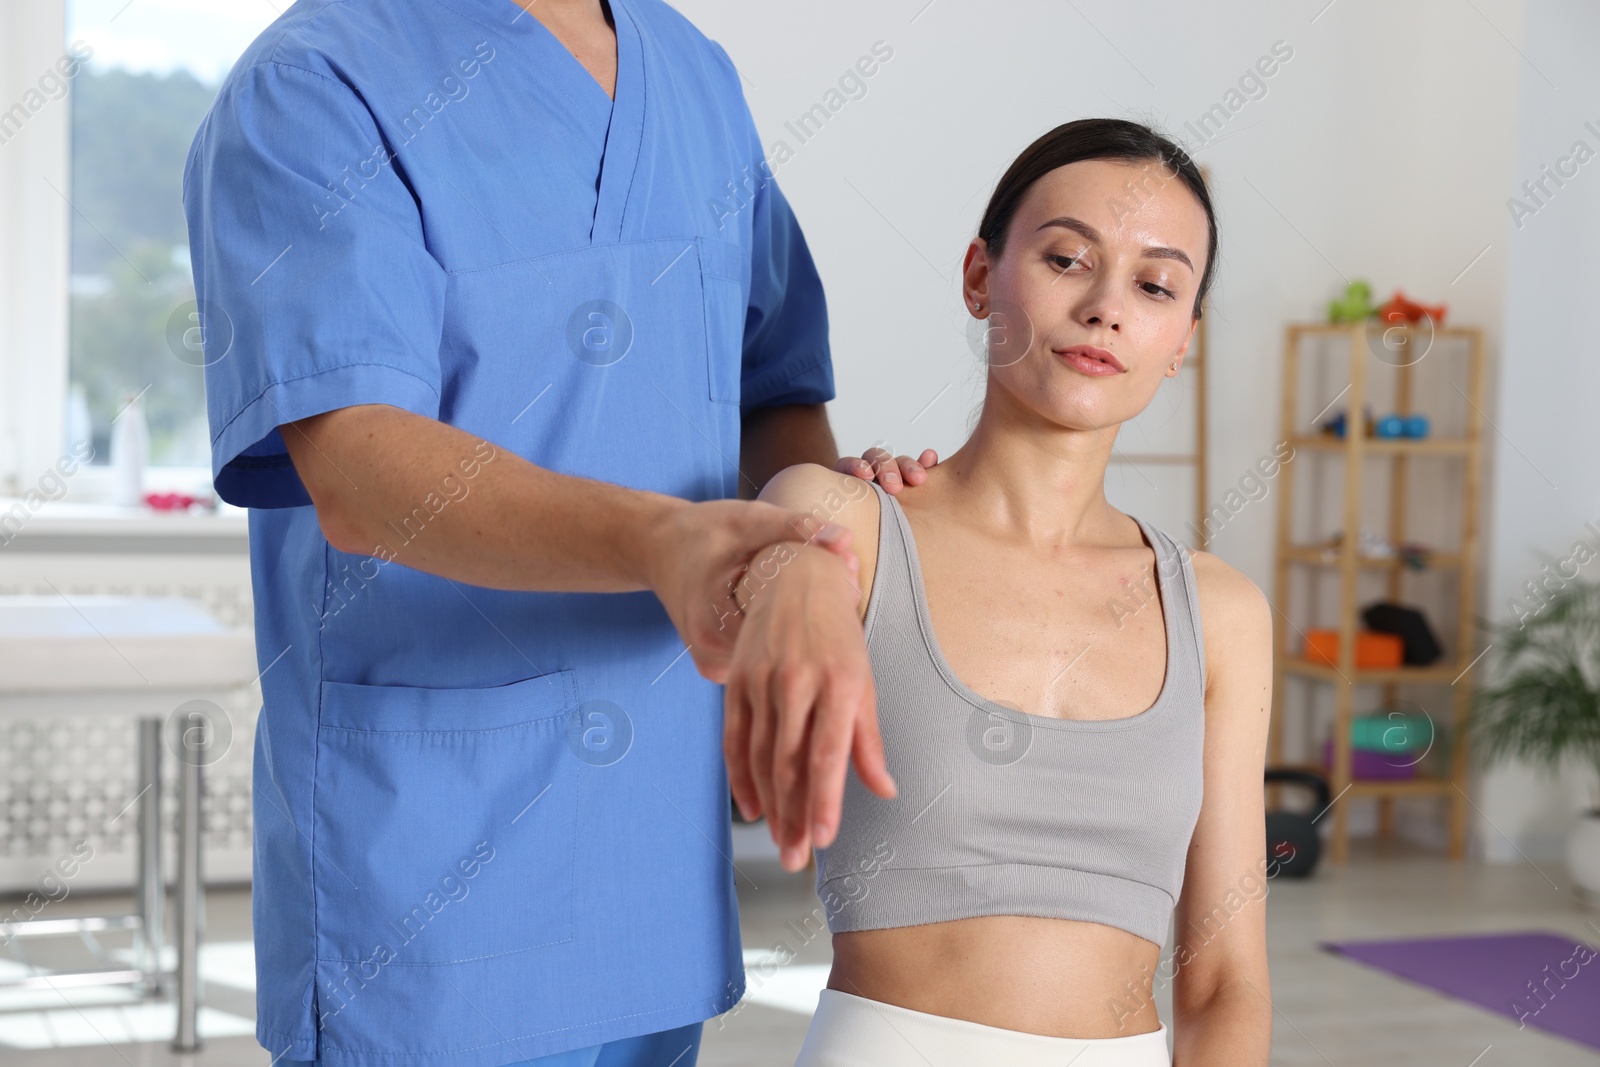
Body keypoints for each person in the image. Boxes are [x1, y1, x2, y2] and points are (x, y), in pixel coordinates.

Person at [181, 0, 929, 1064]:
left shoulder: (692, 75)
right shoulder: (314, 82)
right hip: (433, 881)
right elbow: (359, 465)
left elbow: (774, 392)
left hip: (654, 856)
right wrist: (667, 542)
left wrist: (821, 527)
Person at [726, 119, 1274, 1065]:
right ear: (981, 276)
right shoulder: (840, 522)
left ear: (1183, 337)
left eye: (1154, 285)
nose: (1106, 307)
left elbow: (1225, 980)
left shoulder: (1221, 612)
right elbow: (737, 744)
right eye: (1068, 259)